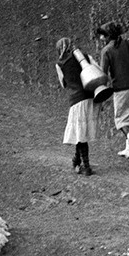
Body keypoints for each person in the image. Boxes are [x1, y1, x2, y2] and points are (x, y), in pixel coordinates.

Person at [97, 22, 129, 163]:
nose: (101, 37)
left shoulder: (107, 50)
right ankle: (128, 149)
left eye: (102, 35)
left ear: (108, 36)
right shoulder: (127, 43)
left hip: (121, 88)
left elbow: (102, 74)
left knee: (121, 120)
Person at [55, 37, 101, 177]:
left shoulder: (60, 64)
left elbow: (64, 84)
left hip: (77, 99)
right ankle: (76, 160)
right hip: (91, 97)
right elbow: (98, 70)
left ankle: (86, 166)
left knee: (80, 134)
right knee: (80, 132)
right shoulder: (85, 57)